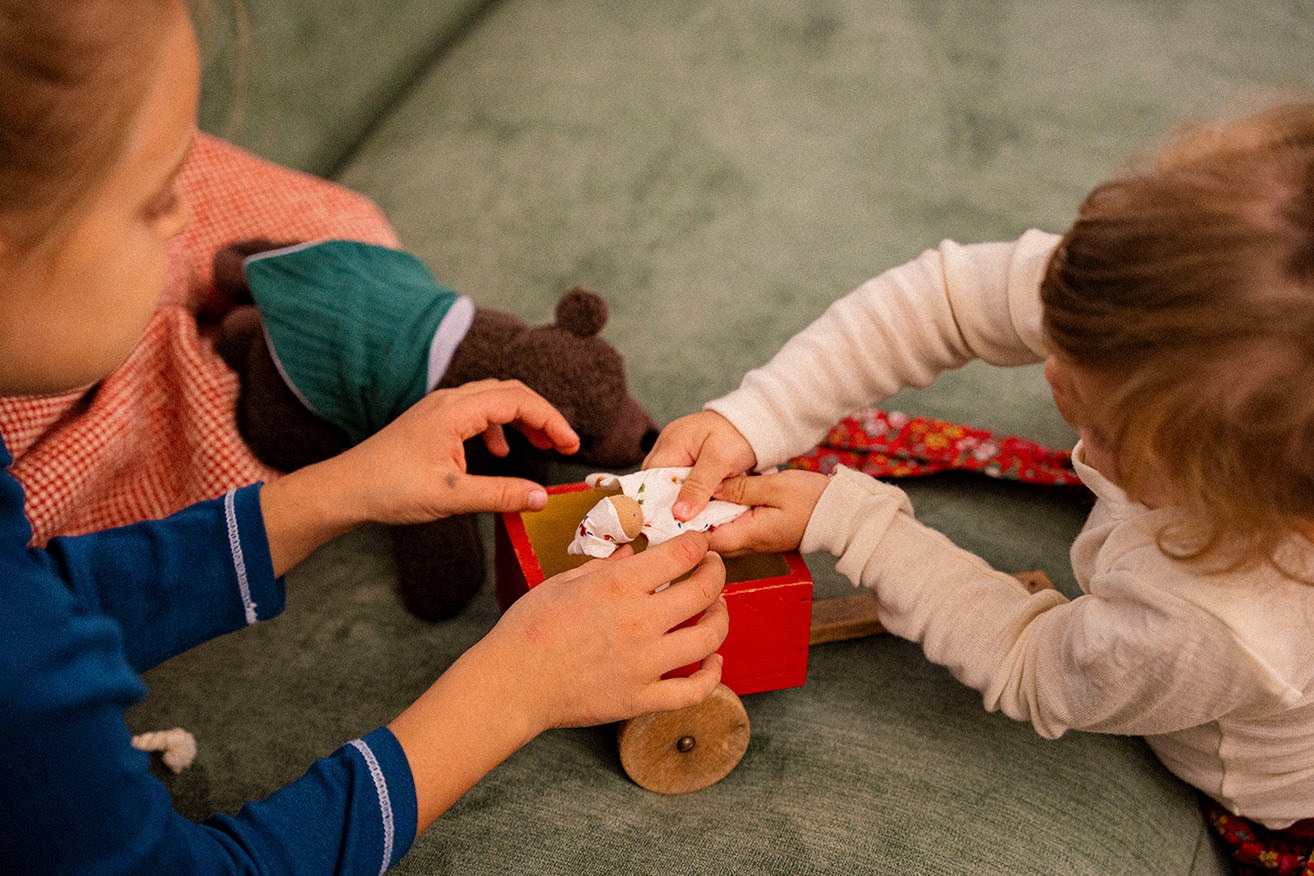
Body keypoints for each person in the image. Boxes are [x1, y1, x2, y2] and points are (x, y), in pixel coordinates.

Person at [0, 2, 728, 873]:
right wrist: (517, 688)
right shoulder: (21, 670)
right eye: (155, 198)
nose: (188, 221)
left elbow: (50, 595)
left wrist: (338, 489)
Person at [646, 101, 1314, 869]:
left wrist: (857, 525)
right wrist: (758, 416)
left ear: (1234, 503)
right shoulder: (1174, 289)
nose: (1052, 371)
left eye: (1103, 428)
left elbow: (1034, 662)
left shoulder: (1219, 625)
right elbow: (951, 302)